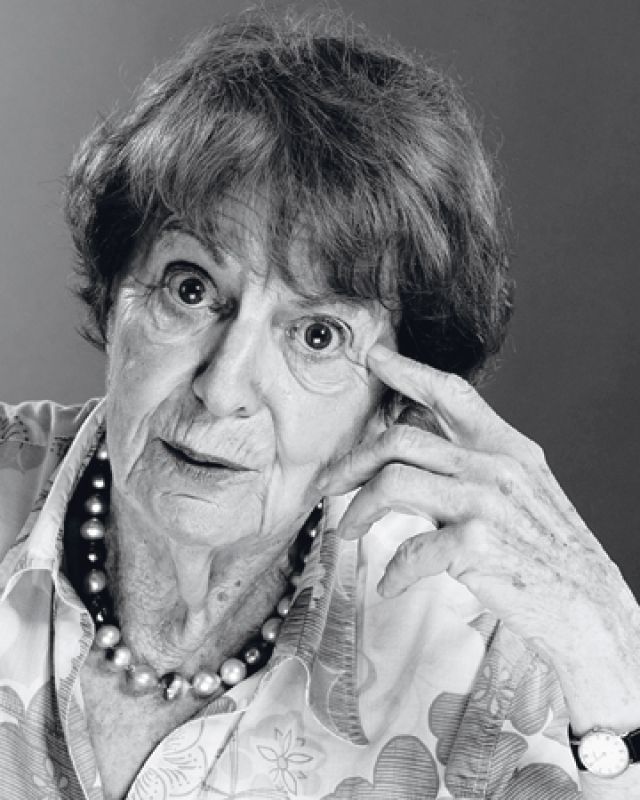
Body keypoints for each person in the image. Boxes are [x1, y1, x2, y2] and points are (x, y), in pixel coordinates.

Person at [1, 12, 638, 800]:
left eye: (317, 335)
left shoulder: (480, 653)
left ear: (393, 404)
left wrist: (613, 660)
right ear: (114, 296)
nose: (223, 389)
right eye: (191, 288)